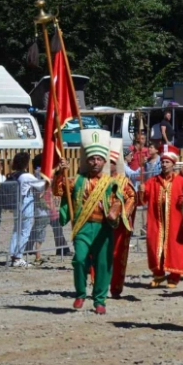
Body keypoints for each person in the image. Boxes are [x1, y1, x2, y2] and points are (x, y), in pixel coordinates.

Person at [55, 130, 123, 314]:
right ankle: (80, 293)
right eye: (92, 159)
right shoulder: (77, 180)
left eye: (99, 159)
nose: (95, 162)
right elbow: (59, 191)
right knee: (79, 260)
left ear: (104, 161)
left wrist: (113, 211)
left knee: (102, 264)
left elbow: (119, 200)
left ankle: (100, 300)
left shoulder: (111, 182)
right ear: (87, 160)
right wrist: (61, 171)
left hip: (103, 229)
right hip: (83, 227)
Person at [142, 144, 183, 288]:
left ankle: (174, 276)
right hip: (157, 220)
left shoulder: (181, 181)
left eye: (167, 162)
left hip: (175, 220)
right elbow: (143, 199)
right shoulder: (153, 181)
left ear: (173, 164)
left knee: (174, 247)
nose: (164, 164)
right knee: (155, 245)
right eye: (162, 161)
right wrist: (141, 191)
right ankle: (159, 274)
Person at [106, 140, 137, 298]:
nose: (107, 165)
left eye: (111, 162)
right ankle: (99, 285)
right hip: (100, 224)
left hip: (119, 225)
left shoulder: (124, 182)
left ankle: (115, 287)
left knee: (117, 256)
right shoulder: (96, 180)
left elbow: (132, 196)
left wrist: (121, 213)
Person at [7, 152, 46, 267]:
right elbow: (41, 186)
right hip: (25, 203)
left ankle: (13, 255)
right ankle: (18, 257)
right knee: (25, 231)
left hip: (17, 204)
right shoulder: (26, 176)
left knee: (16, 230)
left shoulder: (14, 175)